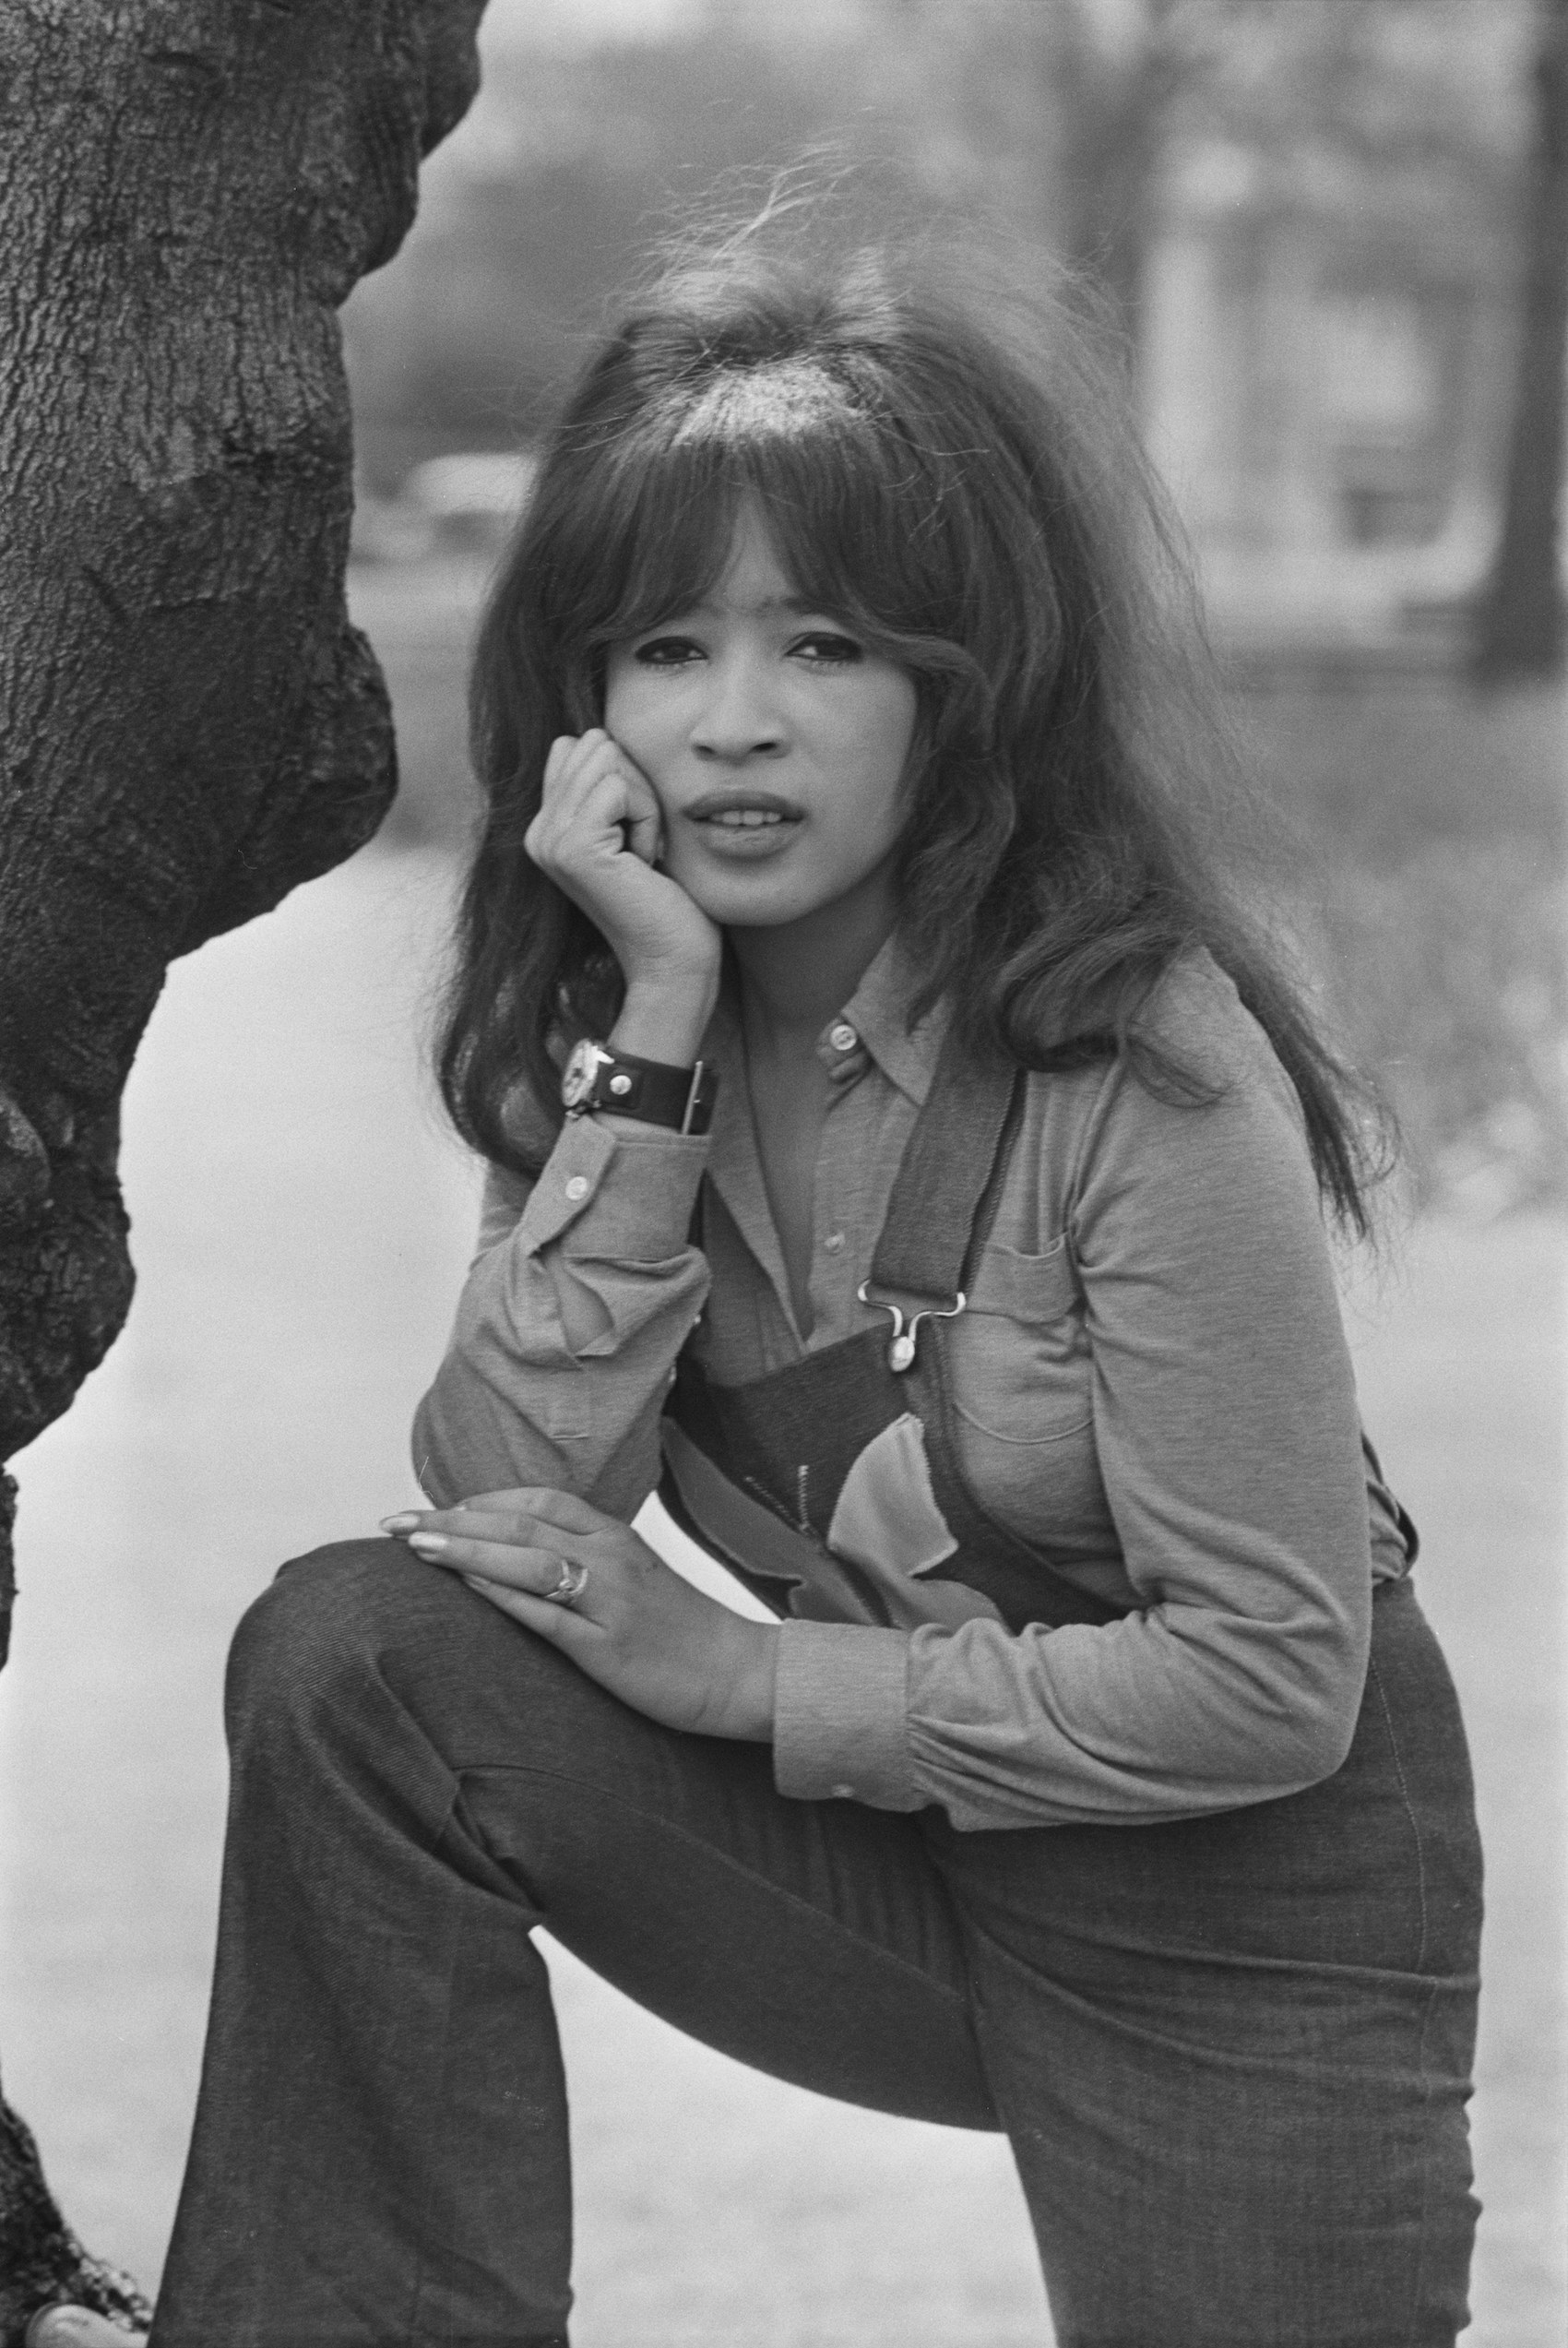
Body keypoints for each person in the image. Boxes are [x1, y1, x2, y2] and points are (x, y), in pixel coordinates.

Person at [149, 224, 1482, 2348]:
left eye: (828, 647)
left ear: (961, 689)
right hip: (907, 1875)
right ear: (583, 705)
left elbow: (1269, 1679)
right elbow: (512, 1512)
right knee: (361, 1654)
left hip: (1245, 1912)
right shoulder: (600, 1043)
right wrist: (655, 1036)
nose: (737, 727)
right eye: (667, 648)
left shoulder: (1136, 1052)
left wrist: (747, 1678)